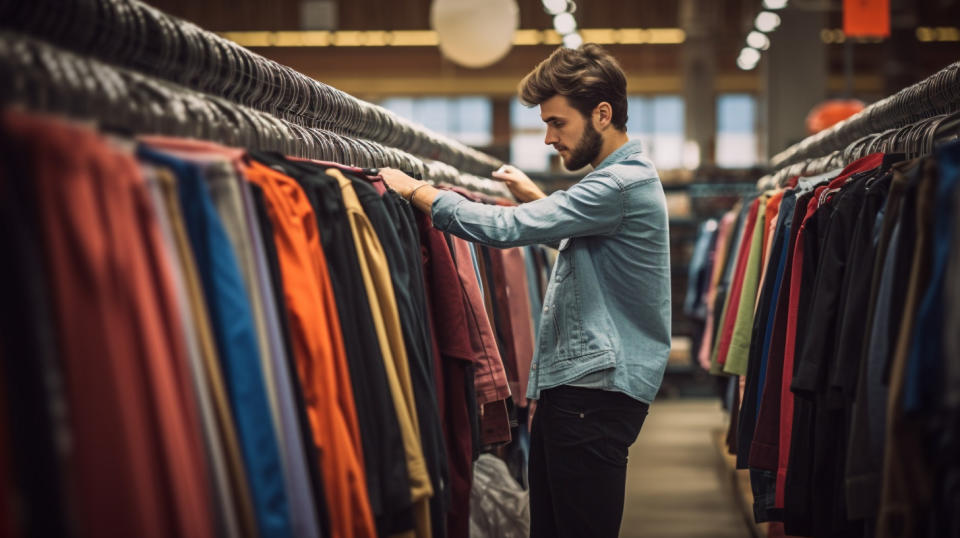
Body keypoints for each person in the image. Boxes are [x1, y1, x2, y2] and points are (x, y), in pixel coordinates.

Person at [380, 43, 671, 538]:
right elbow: (584, 238)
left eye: (557, 122)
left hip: (590, 397)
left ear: (602, 114)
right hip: (583, 395)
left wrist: (418, 192)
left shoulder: (617, 185)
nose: (548, 138)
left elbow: (503, 228)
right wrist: (540, 200)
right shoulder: (619, 184)